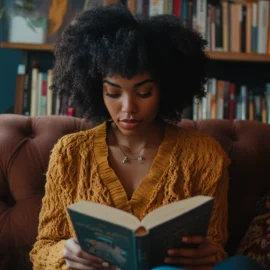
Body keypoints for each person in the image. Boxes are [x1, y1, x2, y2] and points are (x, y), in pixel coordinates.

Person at [30, 4, 262, 270]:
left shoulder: (205, 155)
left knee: (242, 266)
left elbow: (214, 245)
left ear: (166, 89)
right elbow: (42, 249)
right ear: (96, 90)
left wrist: (210, 255)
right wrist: (66, 254)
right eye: (114, 93)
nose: (128, 108)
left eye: (144, 93)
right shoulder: (70, 153)